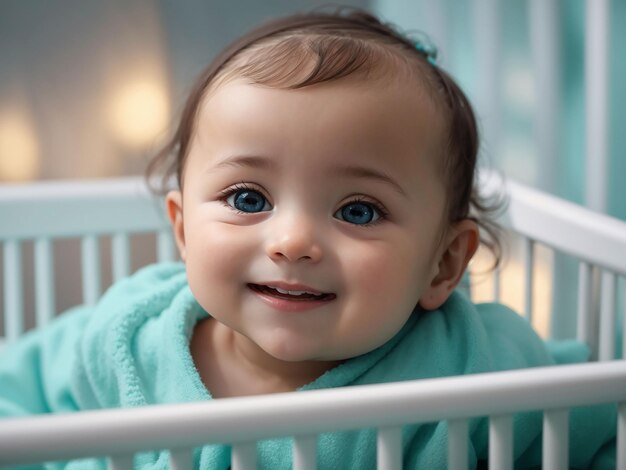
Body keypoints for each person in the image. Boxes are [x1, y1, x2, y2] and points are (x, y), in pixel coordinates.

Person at [0, 8, 616, 469]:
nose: (293, 241)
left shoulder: (471, 363)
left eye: (358, 210)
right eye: (249, 199)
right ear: (183, 230)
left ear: (443, 265)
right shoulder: (129, 334)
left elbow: (596, 421)